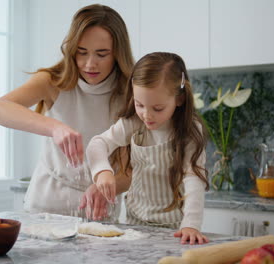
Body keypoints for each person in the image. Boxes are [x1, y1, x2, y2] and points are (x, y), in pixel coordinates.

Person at [0, 4, 134, 220]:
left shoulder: (130, 94)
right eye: (81, 52)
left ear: (118, 53)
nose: (90, 64)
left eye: (102, 54)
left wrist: (106, 187)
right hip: (46, 203)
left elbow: (130, 170)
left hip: (99, 206)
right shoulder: (53, 81)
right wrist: (55, 127)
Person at [86, 52, 210, 244]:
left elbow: (193, 177)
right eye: (139, 104)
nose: (146, 115)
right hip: (135, 224)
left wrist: (191, 224)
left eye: (157, 108)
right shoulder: (133, 123)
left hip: (175, 228)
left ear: (179, 99)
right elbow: (98, 144)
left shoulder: (190, 131)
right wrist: (102, 171)